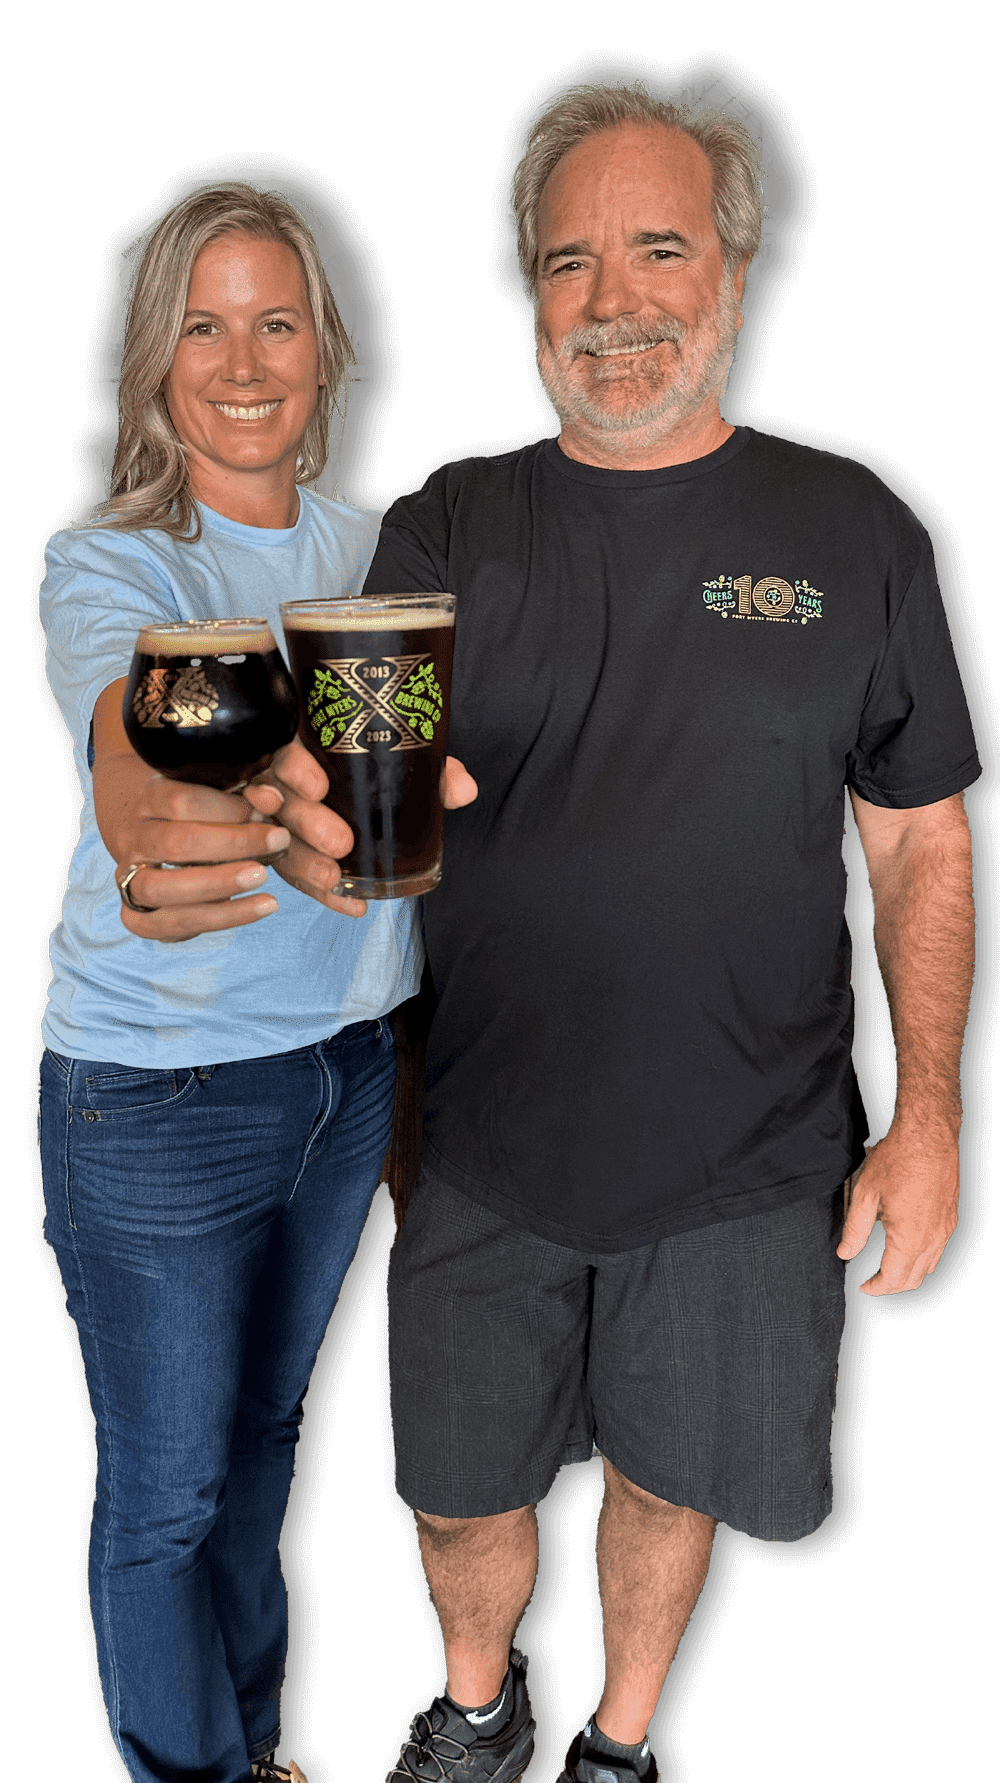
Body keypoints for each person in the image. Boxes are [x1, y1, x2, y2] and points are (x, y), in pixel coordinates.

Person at [353, 81, 980, 1783]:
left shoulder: (858, 533)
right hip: (475, 1144)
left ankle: (619, 1742)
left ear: (740, 278)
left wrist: (931, 1114)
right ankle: (478, 1709)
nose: (612, 301)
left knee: (670, 1472)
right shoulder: (443, 524)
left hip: (744, 1161)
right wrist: (334, 812)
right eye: (568, 260)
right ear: (526, 290)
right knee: (454, 1488)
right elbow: (359, 797)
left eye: (658, 249)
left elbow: (922, 835)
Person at [38, 178, 473, 1783]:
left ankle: (262, 1752)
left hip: (346, 1079)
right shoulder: (111, 566)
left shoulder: (390, 551)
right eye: (201, 326)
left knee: (267, 1448)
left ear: (330, 350)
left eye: (275, 322)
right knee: (169, 1495)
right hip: (156, 1093)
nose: (240, 363)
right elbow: (132, 741)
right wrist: (216, 813)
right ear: (152, 360)